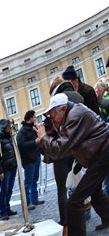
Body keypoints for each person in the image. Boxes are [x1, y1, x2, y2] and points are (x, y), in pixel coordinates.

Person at [35, 93, 109, 235]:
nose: (52, 119)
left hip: (102, 153)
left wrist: (44, 138)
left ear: (63, 109)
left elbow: (60, 149)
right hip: (100, 153)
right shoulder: (71, 115)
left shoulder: (74, 115)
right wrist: (46, 138)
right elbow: (62, 145)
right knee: (95, 191)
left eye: (53, 115)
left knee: (74, 201)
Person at [47, 76, 83, 225]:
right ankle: (82, 217)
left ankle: (65, 220)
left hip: (62, 149)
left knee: (62, 188)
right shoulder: (78, 95)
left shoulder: (59, 101)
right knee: (80, 185)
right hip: (76, 148)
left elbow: (53, 126)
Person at [17, 110, 44, 208]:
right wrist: (34, 142)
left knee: (34, 179)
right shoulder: (22, 131)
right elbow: (21, 145)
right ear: (31, 118)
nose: (35, 118)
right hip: (28, 160)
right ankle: (27, 203)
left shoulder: (33, 128)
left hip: (36, 157)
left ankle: (34, 199)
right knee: (28, 181)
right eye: (34, 116)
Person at [0, 119, 18, 220]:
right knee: (4, 191)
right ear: (4, 128)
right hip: (5, 169)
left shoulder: (9, 138)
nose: (9, 128)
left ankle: (7, 208)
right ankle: (3, 211)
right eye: (8, 127)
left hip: (12, 167)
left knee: (9, 189)